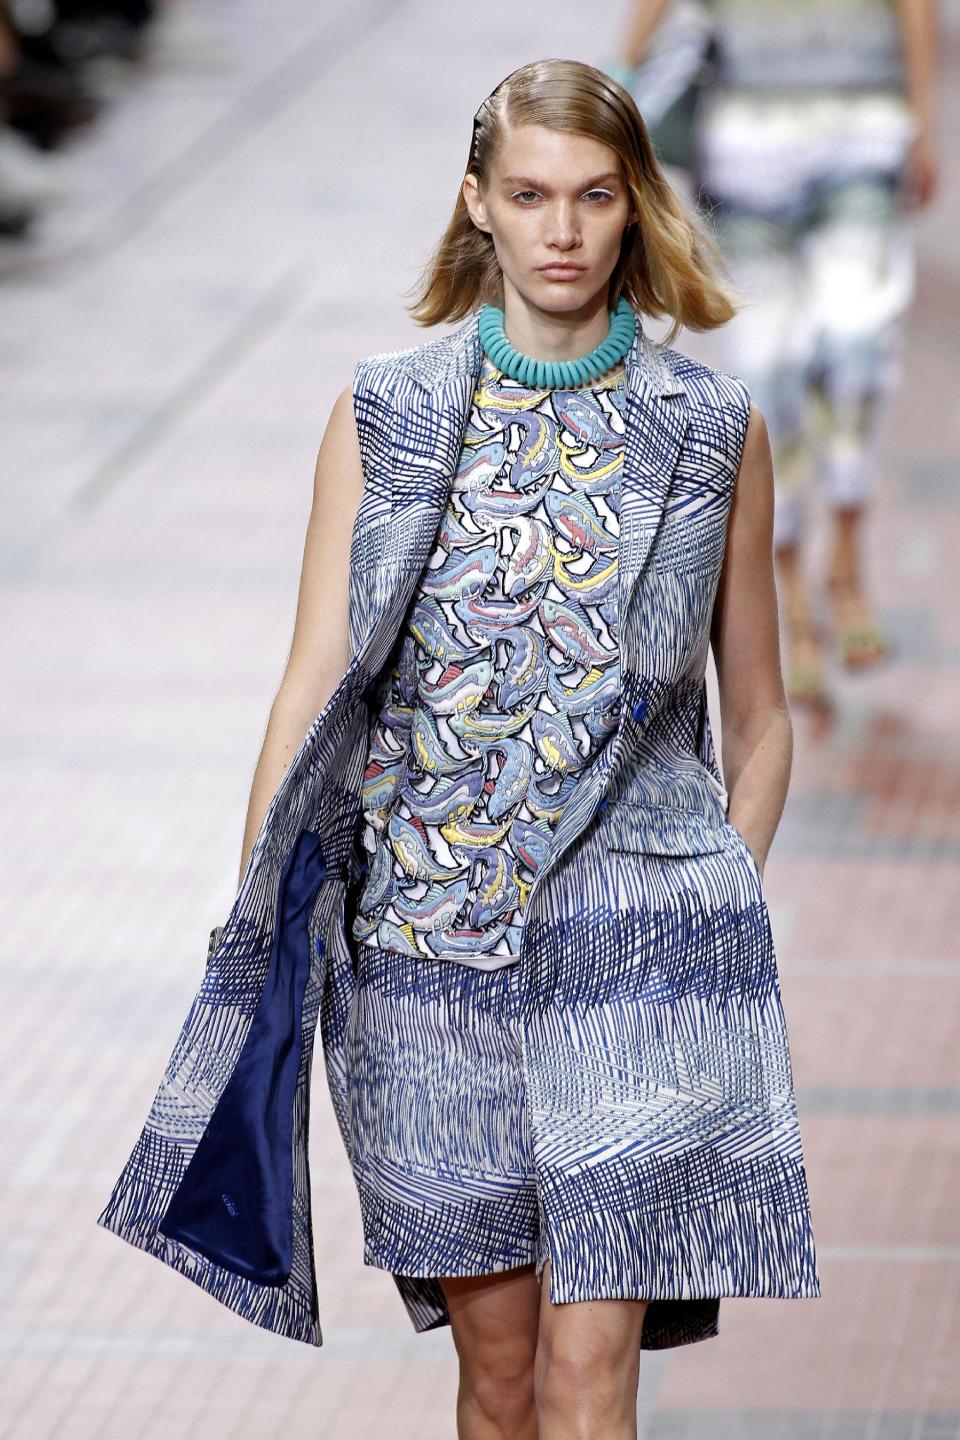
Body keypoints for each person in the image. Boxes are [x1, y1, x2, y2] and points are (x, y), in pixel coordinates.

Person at [97, 58, 821, 1440]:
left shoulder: (711, 430)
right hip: (427, 953)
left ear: (634, 210)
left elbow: (764, 709)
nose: (562, 229)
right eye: (532, 195)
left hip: (639, 948)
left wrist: (722, 881)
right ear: (476, 203)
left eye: (595, 197)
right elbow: (313, 678)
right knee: (497, 1384)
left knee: (591, 1377)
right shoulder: (386, 415)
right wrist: (262, 921)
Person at [612, 0, 939, 707]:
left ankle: (847, 568)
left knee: (858, 355)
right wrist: (616, 91)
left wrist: (923, 122)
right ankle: (794, 597)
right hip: (745, 146)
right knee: (770, 374)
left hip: (865, 134)